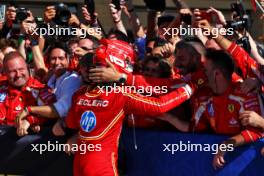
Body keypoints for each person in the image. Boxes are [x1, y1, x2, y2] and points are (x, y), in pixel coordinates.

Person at [58, 44, 202, 175]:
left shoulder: (80, 94)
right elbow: (159, 106)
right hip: (101, 166)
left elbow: (71, 123)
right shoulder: (120, 94)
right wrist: (191, 88)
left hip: (79, 163)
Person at [16, 42, 82, 136]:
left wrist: (29, 110)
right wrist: (32, 120)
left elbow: (59, 111)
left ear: (68, 59)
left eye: (61, 58)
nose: (57, 62)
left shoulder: (72, 79)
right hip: (45, 129)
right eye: (53, 59)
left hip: (63, 136)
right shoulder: (51, 77)